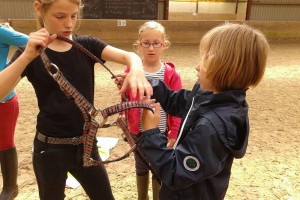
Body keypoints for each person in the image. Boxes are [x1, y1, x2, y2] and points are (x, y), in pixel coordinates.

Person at [0, 0, 152, 199]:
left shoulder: (87, 45)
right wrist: (26, 56)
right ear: (39, 8)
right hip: (49, 150)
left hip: (87, 146)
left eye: (74, 16)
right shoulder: (31, 52)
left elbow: (130, 56)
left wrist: (137, 69)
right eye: (60, 17)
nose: (69, 24)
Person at [140, 23, 270, 200]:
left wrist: (151, 133)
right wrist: (145, 84)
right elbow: (178, 101)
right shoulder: (211, 97)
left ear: (224, 67)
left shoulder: (212, 127)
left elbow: (175, 172)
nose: (196, 66)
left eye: (205, 59)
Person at [118, 21, 182, 200]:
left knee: (158, 166)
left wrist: (174, 131)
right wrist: (123, 115)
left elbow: (177, 107)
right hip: (137, 130)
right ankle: (142, 197)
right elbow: (126, 99)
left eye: (156, 43)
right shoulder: (131, 70)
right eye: (146, 43)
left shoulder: (171, 74)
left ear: (164, 45)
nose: (151, 48)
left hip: (160, 131)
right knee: (140, 166)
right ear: (139, 45)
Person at [0, 22, 28, 200]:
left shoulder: (1, 32)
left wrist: (9, 69)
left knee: (4, 142)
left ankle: (10, 186)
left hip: (3, 99)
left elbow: (31, 43)